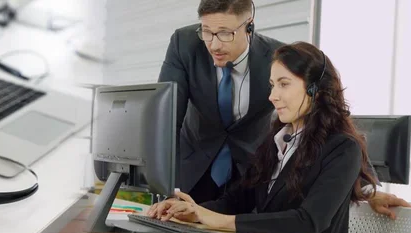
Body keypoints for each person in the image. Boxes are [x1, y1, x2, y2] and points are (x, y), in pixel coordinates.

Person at [157, 0, 408, 218]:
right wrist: (164, 185)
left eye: (224, 33)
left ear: (249, 26)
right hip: (195, 167)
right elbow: (165, 118)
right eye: (207, 32)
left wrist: (369, 188)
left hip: (250, 173)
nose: (214, 44)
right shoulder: (184, 43)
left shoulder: (277, 58)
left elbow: (334, 117)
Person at [148, 41, 378, 233]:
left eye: (284, 84)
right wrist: (193, 210)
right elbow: (237, 200)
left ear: (314, 90)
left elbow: (308, 222)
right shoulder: (276, 142)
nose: (272, 96)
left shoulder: (343, 148)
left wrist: (217, 220)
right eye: (272, 85)